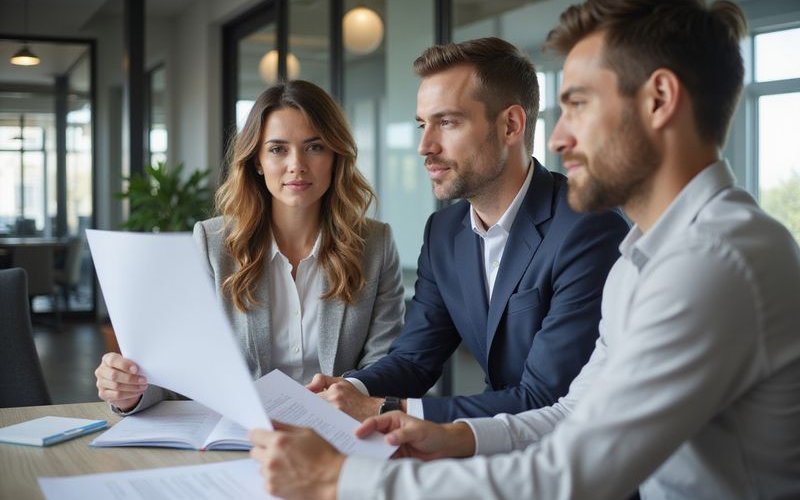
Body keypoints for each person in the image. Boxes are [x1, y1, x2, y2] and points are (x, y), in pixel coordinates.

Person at [248, 1, 800, 499]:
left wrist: (339, 478)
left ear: (659, 100)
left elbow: (576, 472)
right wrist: (450, 436)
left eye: (579, 104)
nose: (558, 139)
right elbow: (571, 415)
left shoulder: (712, 260)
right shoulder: (646, 256)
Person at [307, 37, 629, 424]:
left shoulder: (588, 227)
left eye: (447, 122)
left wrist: (387, 409)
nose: (425, 146)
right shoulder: (443, 231)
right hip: (494, 448)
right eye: (423, 125)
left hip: (572, 463)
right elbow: (415, 358)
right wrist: (350, 389)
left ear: (511, 125)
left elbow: (545, 398)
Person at [94, 80, 405, 414]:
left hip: (339, 430)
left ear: (335, 156)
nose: (296, 164)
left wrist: (350, 399)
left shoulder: (375, 244)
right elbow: (181, 363)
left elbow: (385, 363)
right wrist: (132, 391)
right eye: (277, 149)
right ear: (257, 161)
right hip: (240, 433)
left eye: (315, 147)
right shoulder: (213, 245)